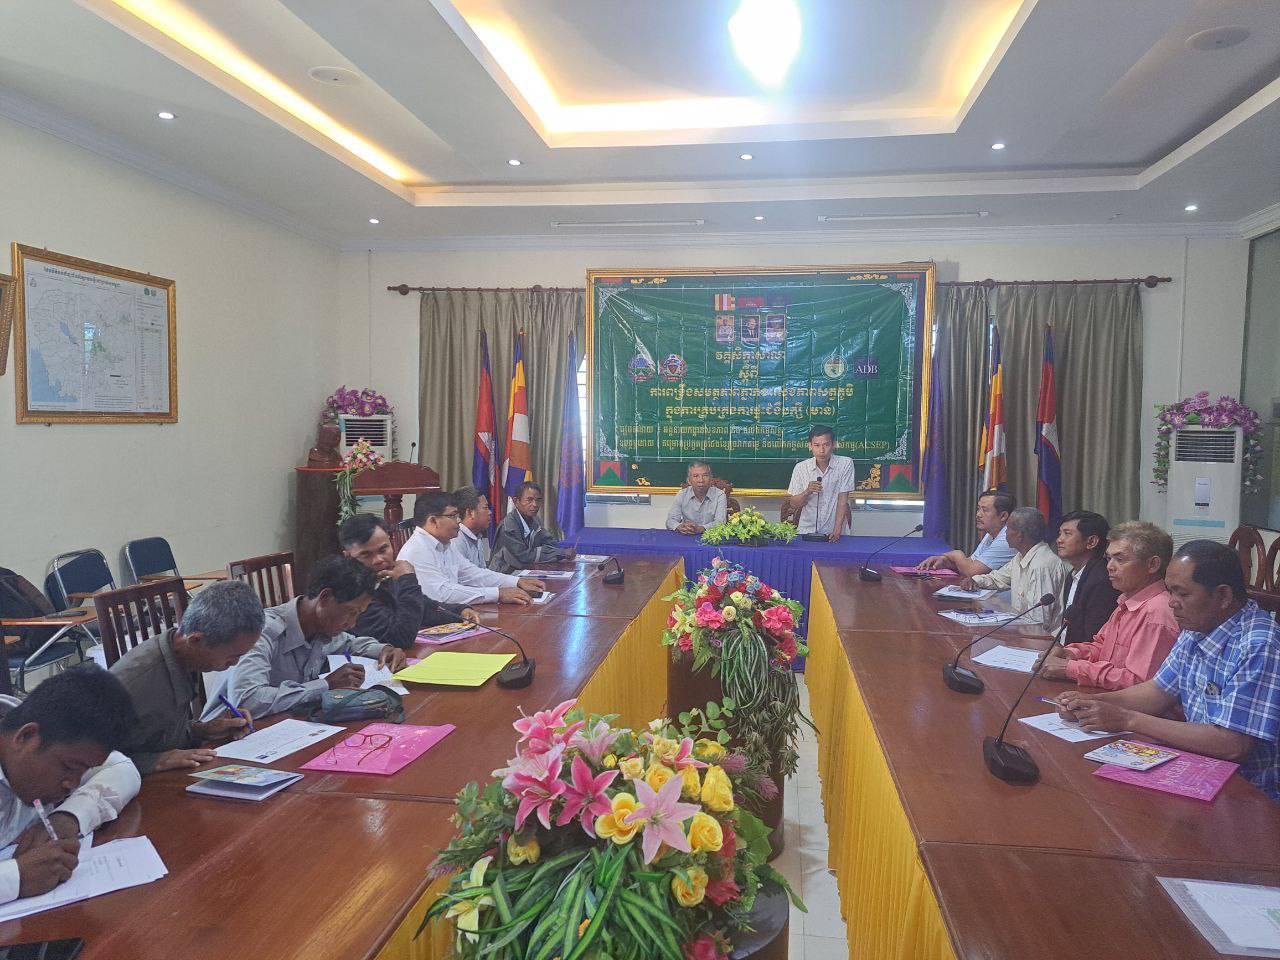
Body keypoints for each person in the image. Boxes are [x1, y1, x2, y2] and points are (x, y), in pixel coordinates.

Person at [1059, 540, 1280, 801]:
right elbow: (1158, 691)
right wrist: (1092, 704)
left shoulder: (1259, 644)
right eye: (1170, 591)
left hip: (1247, 795)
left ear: (1223, 596)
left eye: (1182, 594)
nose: (1172, 603)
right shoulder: (1197, 626)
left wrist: (1127, 719)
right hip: (1198, 768)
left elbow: (1232, 743)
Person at [0, 666, 140, 905]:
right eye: (68, 767)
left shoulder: (52, 735)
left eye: (83, 771)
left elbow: (123, 768)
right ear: (26, 736)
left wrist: (68, 817)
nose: (72, 784)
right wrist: (16, 878)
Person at [204, 556, 407, 720]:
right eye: (351, 612)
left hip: (284, 728)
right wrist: (325, 685)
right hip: (223, 741)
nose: (352, 623)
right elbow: (247, 700)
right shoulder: (262, 632)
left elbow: (350, 643)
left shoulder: (321, 627)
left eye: (358, 614)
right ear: (325, 598)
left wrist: (384, 650)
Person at [110, 580, 264, 774]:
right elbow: (88, 763)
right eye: (233, 656)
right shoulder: (134, 684)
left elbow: (156, 733)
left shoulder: (185, 657)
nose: (234, 664)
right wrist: (155, 761)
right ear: (196, 640)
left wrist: (203, 730)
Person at [1041, 521, 1178, 689]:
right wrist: (1070, 653)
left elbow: (1139, 683)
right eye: (1108, 558)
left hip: (1125, 703)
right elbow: (1103, 647)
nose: (1109, 567)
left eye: (1120, 559)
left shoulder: (1157, 613)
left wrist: (1071, 669)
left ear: (1152, 565)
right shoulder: (1126, 601)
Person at [339, 513, 477, 649]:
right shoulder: (352, 592)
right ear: (348, 557)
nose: (378, 560)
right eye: (366, 555)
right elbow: (401, 638)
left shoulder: (383, 577)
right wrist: (408, 579)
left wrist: (460, 612)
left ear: (391, 543)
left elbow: (425, 608)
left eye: (383, 550)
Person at [399, 493, 545, 606]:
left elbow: (472, 574)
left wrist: (516, 582)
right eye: (452, 516)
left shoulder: (444, 544)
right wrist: (498, 594)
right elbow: (443, 594)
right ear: (433, 521)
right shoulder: (417, 550)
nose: (458, 520)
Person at [965, 507, 1069, 631]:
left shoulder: (1042, 565)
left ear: (1020, 535)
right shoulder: (1020, 556)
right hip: (1022, 630)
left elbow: (1039, 621)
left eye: (1008, 528)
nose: (1005, 533)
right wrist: (975, 581)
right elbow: (998, 578)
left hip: (1040, 637)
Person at [1055, 510, 1120, 646]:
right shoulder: (1072, 575)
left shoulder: (1102, 581)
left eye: (1067, 534)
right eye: (1060, 533)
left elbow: (1093, 637)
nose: (1059, 540)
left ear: (1091, 542)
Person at [917, 489, 1016, 575]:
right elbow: (971, 562)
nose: (978, 514)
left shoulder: (1007, 539)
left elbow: (971, 571)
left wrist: (957, 554)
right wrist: (945, 562)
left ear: (1003, 516)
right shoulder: (991, 534)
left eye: (985, 510)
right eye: (978, 509)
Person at [784, 425, 856, 542]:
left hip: (835, 532)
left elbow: (843, 501)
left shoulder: (845, 464)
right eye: (816, 445)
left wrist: (837, 529)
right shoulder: (801, 468)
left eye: (826, 445)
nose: (821, 450)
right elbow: (793, 504)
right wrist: (807, 492)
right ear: (810, 446)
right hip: (806, 531)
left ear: (834, 444)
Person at [490, 481, 576, 573]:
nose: (535, 505)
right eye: (529, 500)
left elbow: (548, 541)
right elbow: (524, 556)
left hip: (523, 571)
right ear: (516, 501)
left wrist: (564, 551)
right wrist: (560, 553)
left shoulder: (535, 520)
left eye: (538, 500)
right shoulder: (508, 526)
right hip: (504, 574)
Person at [666, 461, 727, 535]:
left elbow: (721, 522)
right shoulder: (682, 494)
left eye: (705, 475)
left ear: (711, 479)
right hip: (687, 536)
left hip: (710, 536)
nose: (701, 480)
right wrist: (679, 526)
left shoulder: (719, 495)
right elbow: (670, 521)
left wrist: (702, 528)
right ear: (689, 480)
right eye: (695, 476)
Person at [451, 486, 493, 569]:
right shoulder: (456, 540)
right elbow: (464, 575)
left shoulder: (476, 535)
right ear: (470, 512)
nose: (490, 512)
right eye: (485, 508)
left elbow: (482, 572)